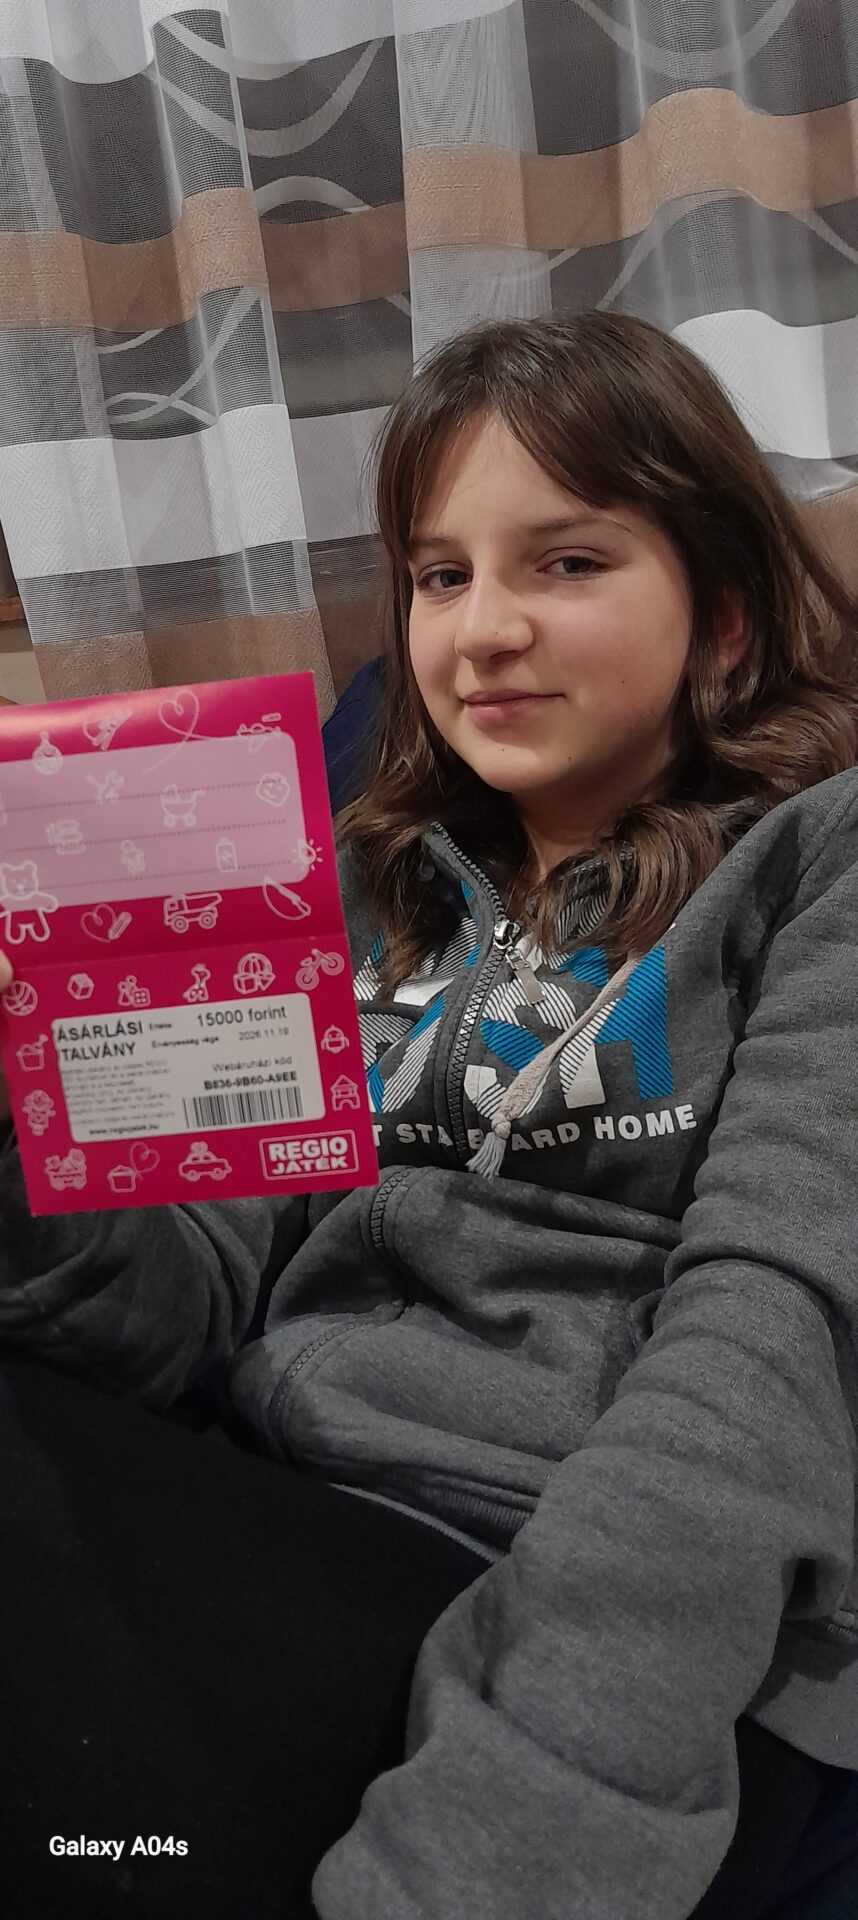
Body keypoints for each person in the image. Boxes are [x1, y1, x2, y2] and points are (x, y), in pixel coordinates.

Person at [2, 310, 858, 1920]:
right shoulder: (332, 881)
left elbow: (768, 1366)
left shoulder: (823, 866)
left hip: (586, 1610)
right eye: (440, 574)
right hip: (278, 1517)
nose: (480, 632)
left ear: (724, 613)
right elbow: (161, 1323)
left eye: (566, 562)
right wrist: (21, 1135)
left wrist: (508, 1837)